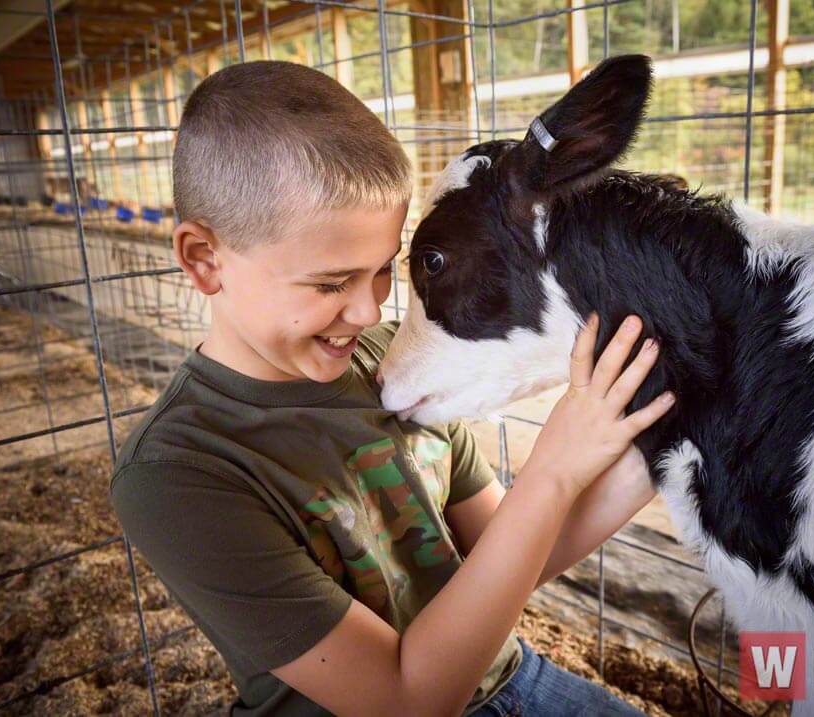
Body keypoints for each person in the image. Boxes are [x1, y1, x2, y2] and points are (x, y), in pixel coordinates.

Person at [110, 60, 675, 717]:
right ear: (205, 259)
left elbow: (507, 553)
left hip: (508, 675)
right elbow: (407, 699)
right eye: (330, 283)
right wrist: (551, 470)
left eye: (383, 270)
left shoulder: (388, 362)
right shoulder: (176, 473)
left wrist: (656, 447)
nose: (368, 311)